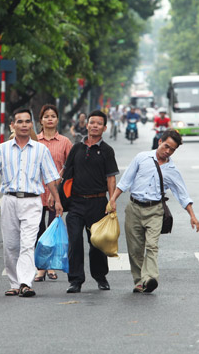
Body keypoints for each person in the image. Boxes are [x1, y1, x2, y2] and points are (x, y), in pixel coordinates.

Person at [0, 107, 63, 298]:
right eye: (19, 122)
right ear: (12, 125)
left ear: (31, 125)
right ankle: (14, 282)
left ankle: (25, 283)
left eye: (27, 122)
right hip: (10, 200)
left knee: (28, 243)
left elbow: (50, 177)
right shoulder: (3, 149)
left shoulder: (40, 150)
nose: (24, 125)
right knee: (11, 245)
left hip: (32, 201)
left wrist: (58, 200)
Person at [108, 128, 199, 294]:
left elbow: (182, 194)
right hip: (134, 208)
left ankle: (150, 278)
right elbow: (125, 180)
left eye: (172, 150)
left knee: (152, 246)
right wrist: (113, 199)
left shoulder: (172, 170)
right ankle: (139, 281)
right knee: (135, 248)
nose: (168, 151)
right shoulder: (142, 158)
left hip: (155, 211)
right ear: (159, 141)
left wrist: (192, 216)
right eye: (166, 146)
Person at [65, 110, 119, 293]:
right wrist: (55, 196)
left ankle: (100, 276)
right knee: (74, 242)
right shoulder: (76, 149)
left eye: (99, 123)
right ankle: (75, 280)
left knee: (96, 243)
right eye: (92, 122)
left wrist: (111, 200)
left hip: (98, 203)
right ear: (86, 125)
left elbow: (111, 178)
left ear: (104, 128)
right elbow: (66, 174)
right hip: (76, 203)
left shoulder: (107, 151)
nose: (95, 126)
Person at [34, 104, 72, 282]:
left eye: (53, 116)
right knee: (37, 230)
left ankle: (50, 267)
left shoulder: (65, 142)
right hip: (35, 192)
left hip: (55, 194)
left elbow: (69, 166)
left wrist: (55, 190)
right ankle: (40, 267)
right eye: (46, 116)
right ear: (41, 120)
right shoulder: (34, 141)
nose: (50, 119)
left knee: (52, 229)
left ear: (57, 119)